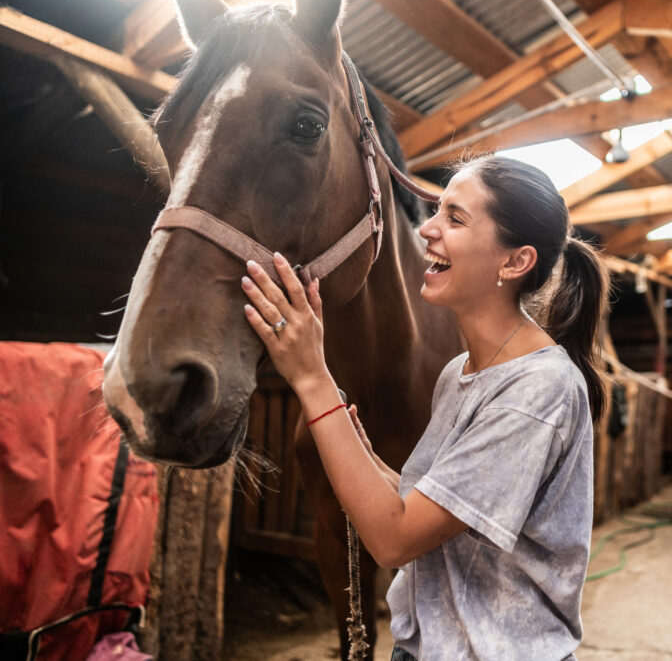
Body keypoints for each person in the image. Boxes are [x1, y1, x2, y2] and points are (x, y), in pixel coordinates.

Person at [239, 155, 609, 660]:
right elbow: (430, 506)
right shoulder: (459, 373)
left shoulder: (538, 390)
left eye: (455, 218)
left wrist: (311, 375)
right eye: (436, 211)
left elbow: (394, 539)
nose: (428, 231)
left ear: (514, 262)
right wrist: (364, 456)